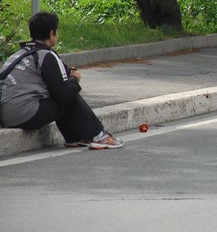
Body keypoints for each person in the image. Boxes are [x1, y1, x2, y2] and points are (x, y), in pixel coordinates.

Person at [0, 11, 124, 150]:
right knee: (69, 94)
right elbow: (65, 95)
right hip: (25, 115)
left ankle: (76, 137)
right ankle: (99, 136)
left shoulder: (18, 54)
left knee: (62, 92)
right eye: (57, 31)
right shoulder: (46, 55)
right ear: (52, 33)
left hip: (5, 116)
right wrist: (75, 79)